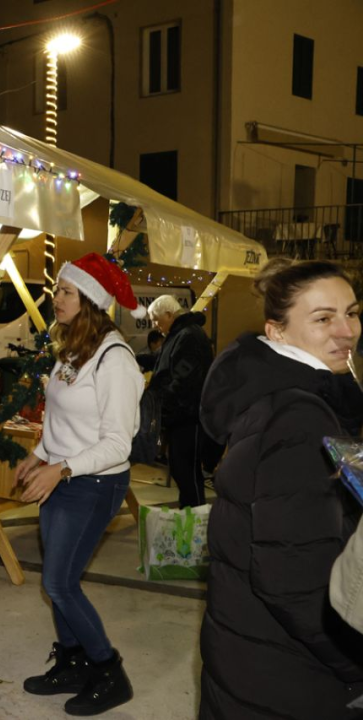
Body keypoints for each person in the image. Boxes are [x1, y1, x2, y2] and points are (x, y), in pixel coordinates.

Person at [198, 258, 363, 719]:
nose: (347, 331)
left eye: (352, 312)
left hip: (252, 656)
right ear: (277, 332)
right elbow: (294, 579)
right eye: (323, 319)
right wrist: (353, 662)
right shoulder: (299, 418)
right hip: (287, 674)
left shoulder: (280, 397)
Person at [14, 253, 144, 716]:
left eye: (66, 291)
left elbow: (118, 444)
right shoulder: (73, 349)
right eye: (58, 289)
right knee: (57, 583)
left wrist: (61, 468)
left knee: (60, 582)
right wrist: (39, 454)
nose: (57, 297)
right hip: (62, 477)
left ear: (89, 299)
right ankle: (72, 662)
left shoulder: (115, 359)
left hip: (94, 484)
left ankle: (109, 672)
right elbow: (62, 419)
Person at [146, 295, 214, 507]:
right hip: (181, 415)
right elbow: (163, 364)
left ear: (169, 315)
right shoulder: (179, 334)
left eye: (156, 320)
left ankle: (194, 517)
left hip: (188, 416)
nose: (155, 325)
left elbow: (183, 380)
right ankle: (190, 515)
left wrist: (163, 404)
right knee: (181, 470)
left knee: (187, 472)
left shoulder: (189, 335)